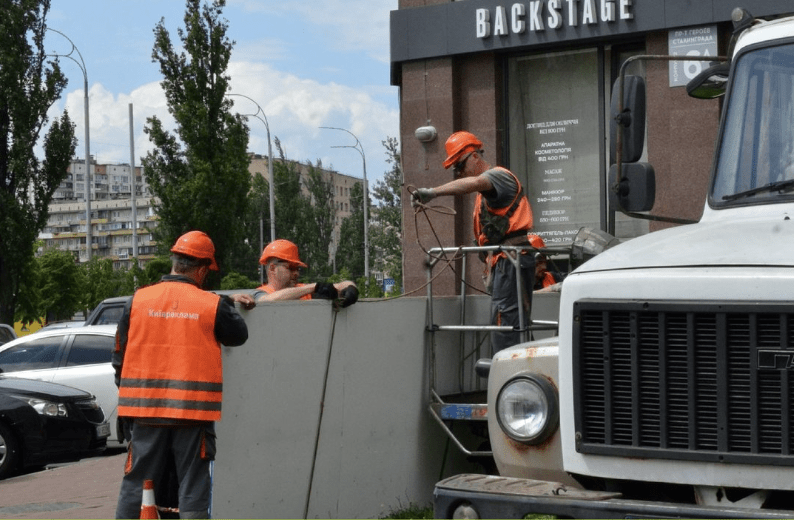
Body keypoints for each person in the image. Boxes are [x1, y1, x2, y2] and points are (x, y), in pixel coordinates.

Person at [112, 230, 255, 519]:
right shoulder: (211, 305)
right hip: (193, 413)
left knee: (136, 482)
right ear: (202, 270)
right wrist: (223, 301)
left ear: (174, 261)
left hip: (144, 410)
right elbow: (238, 335)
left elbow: (119, 357)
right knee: (193, 485)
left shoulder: (137, 301)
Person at [412, 131, 535, 352]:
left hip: (512, 259)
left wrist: (432, 192)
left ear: (475, 156)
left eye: (460, 165)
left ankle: (510, 378)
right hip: (504, 262)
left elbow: (474, 182)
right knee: (510, 322)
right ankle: (522, 373)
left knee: (505, 325)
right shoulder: (483, 196)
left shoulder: (499, 176)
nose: (459, 173)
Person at [254, 239, 359, 307]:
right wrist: (313, 287)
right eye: (291, 268)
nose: (296, 273)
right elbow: (266, 302)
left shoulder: (303, 291)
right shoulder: (260, 293)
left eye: (297, 269)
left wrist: (350, 287)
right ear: (272, 268)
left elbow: (342, 285)